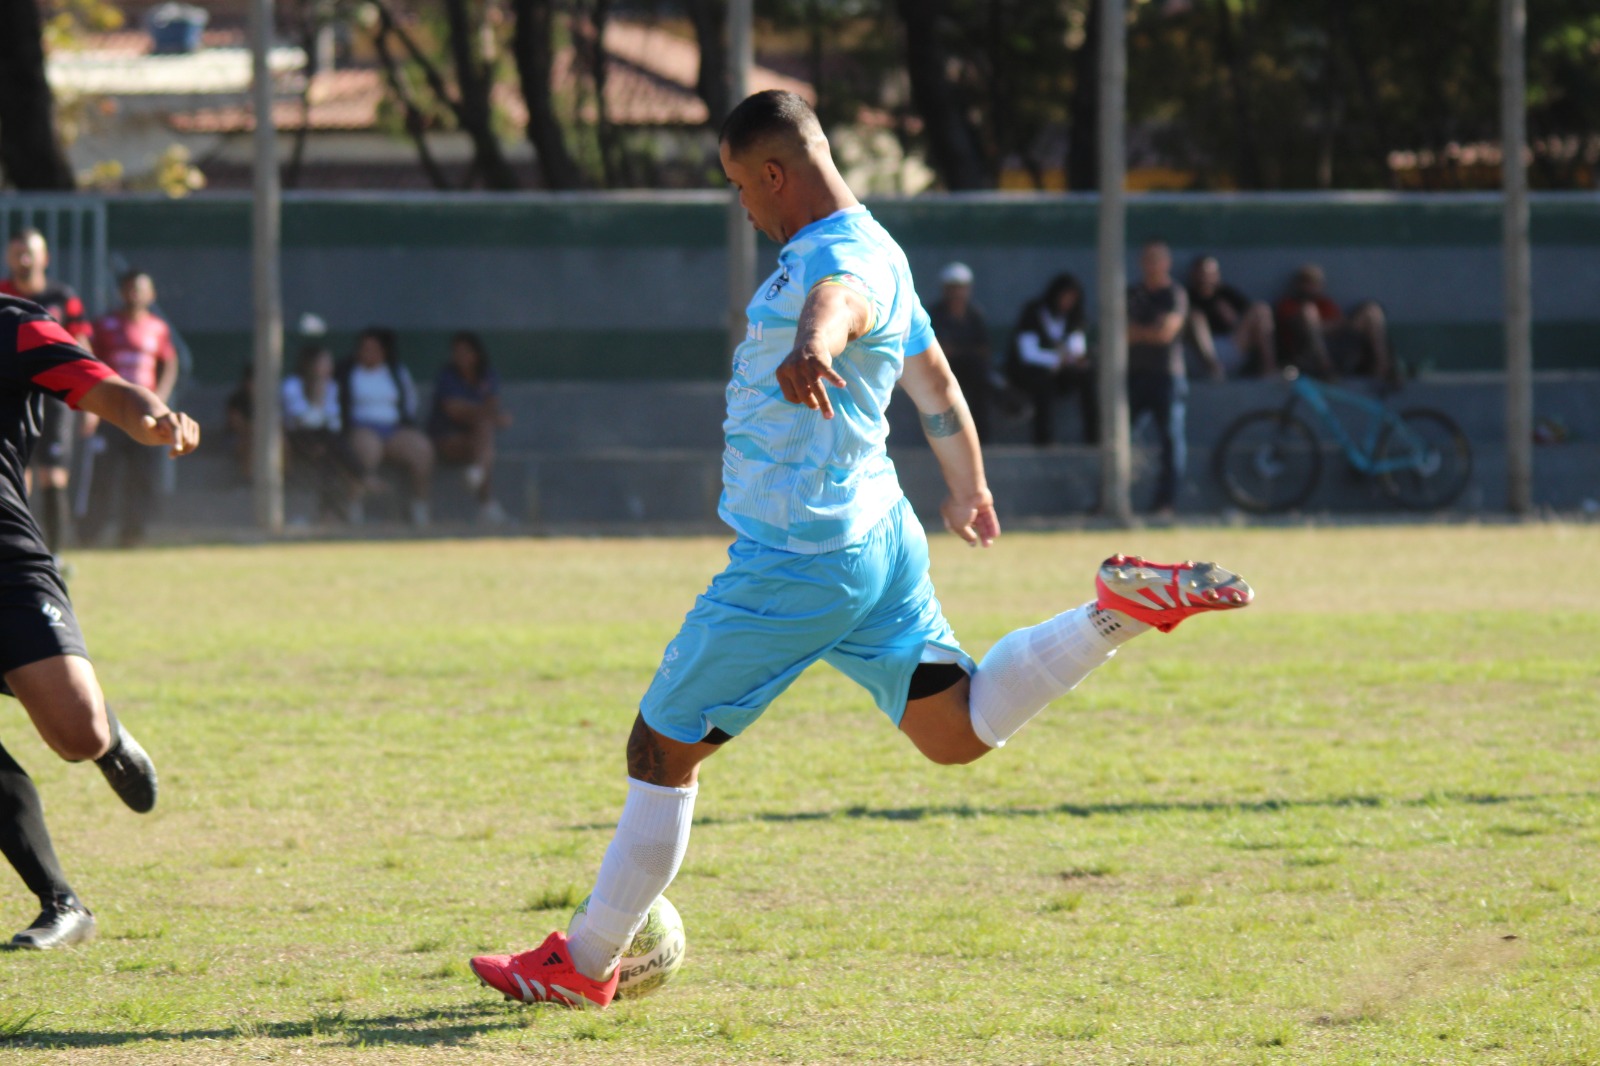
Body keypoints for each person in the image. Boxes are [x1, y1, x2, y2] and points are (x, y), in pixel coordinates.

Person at [465, 90, 1254, 1010]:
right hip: (878, 534)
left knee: (659, 749)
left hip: (799, 557)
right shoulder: (884, 244)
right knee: (955, 730)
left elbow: (838, 305)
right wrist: (970, 485)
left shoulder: (837, 259)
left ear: (773, 173)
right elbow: (937, 383)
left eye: (740, 186)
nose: (744, 208)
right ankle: (1118, 614)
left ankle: (587, 961)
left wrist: (810, 341)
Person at [0, 292, 201, 948]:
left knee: (74, 732)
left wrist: (155, 419)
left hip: (6, 562)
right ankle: (61, 903)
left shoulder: (15, 325)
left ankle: (108, 739)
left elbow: (107, 390)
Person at [0, 230, 93, 561]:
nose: (23, 260)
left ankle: (55, 555)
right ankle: (16, 555)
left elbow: (81, 346)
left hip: (54, 397)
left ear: (45, 258)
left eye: (30, 253)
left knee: (53, 475)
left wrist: (93, 402)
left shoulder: (63, 296)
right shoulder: (2, 295)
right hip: (9, 393)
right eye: (17, 253)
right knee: (13, 479)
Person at [81, 271, 180, 548]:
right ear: (121, 292)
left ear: (152, 295)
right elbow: (89, 360)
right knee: (104, 473)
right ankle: (90, 533)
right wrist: (92, 405)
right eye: (129, 289)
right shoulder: (105, 325)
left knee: (141, 475)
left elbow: (170, 363)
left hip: (144, 418)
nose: (135, 294)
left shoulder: (158, 328)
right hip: (111, 413)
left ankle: (133, 534)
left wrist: (159, 399)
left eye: (141, 289)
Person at [336, 327, 434, 527]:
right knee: (369, 449)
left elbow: (409, 403)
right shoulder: (348, 372)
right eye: (364, 348)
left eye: (373, 348)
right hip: (361, 427)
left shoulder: (397, 372)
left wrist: (403, 425)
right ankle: (353, 508)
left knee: (422, 449)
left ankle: (419, 508)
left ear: (384, 351)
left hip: (392, 428)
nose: (367, 353)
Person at [1127, 241, 1189, 517]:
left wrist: (1138, 332)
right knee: (1120, 438)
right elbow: (1118, 332)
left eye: (1156, 259)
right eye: (1146, 259)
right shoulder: (1132, 293)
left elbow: (1165, 333)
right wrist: (1147, 331)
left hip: (1166, 376)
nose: (1151, 265)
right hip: (1133, 375)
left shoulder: (1174, 294)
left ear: (1167, 263)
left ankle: (1167, 503)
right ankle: (1116, 499)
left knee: (1171, 440)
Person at [426, 331, 510, 526]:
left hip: (475, 442)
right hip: (446, 439)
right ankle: (487, 503)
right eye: (457, 352)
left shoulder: (487, 375)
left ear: (476, 354)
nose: (461, 357)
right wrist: (489, 415)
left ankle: (479, 477)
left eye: (466, 352)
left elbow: (492, 405)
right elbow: (454, 410)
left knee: (484, 438)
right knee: (485, 443)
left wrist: (482, 413)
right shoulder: (447, 376)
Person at [1007, 272, 1098, 447]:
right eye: (1065, 297)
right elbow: (1028, 353)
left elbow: (1077, 349)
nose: (1067, 302)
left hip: (1061, 374)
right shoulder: (1033, 313)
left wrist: (1073, 360)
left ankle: (1093, 438)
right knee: (1042, 383)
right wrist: (1056, 359)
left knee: (1087, 377)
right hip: (1030, 373)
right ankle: (1044, 440)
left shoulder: (1074, 317)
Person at [1274, 264, 1394, 382]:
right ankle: (1325, 368)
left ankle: (1383, 368)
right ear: (1298, 285)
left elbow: (1341, 326)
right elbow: (1302, 329)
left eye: (1316, 282)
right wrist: (1328, 327)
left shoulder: (1327, 304)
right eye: (1307, 282)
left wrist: (1329, 327)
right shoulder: (1288, 305)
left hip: (1339, 351)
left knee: (1372, 311)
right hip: (1308, 357)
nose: (1311, 286)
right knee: (1308, 310)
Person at [282, 345, 357, 523]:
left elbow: (334, 423)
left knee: (329, 453)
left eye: (329, 362)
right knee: (327, 449)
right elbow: (302, 420)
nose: (328, 367)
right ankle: (362, 475)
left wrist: (321, 400)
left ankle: (331, 512)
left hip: (325, 439)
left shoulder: (331, 386)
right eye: (324, 362)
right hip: (297, 438)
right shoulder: (292, 385)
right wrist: (317, 399)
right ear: (310, 364)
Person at [927, 263, 993, 443]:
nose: (957, 293)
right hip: (944, 368)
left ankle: (981, 436)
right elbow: (937, 349)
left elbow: (984, 349)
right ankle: (945, 439)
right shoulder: (933, 314)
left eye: (962, 288)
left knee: (981, 378)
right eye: (953, 288)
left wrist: (958, 351)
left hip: (972, 370)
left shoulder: (975, 315)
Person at [1185, 255, 1276, 379]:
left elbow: (1250, 318)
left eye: (1209, 274)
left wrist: (1234, 320)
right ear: (1194, 275)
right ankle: (1213, 368)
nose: (1205, 278)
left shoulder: (1227, 294)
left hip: (1231, 347)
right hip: (1199, 355)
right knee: (1196, 318)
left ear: (1217, 275)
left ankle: (1269, 370)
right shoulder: (1185, 296)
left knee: (1261, 310)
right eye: (1201, 273)